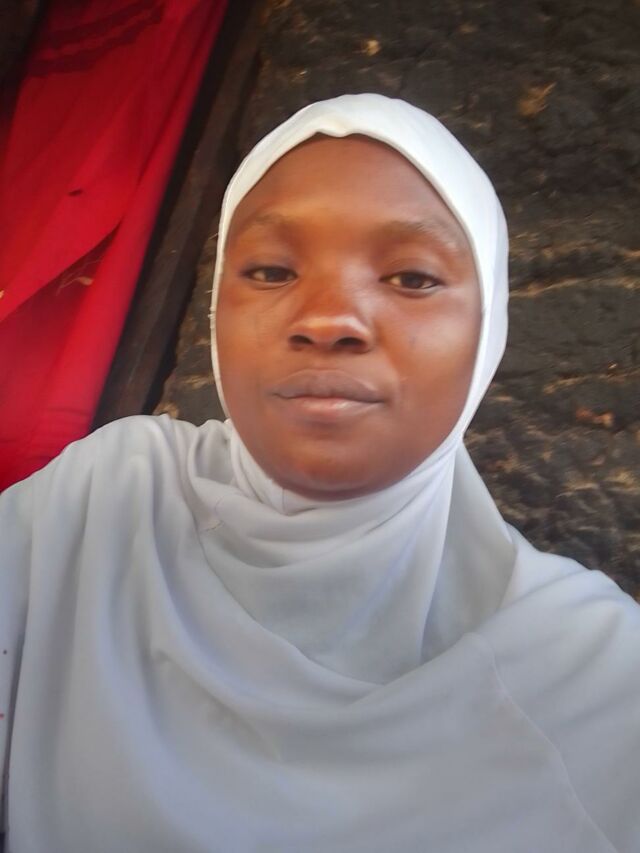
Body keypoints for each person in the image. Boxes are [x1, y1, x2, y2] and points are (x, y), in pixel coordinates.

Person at [0, 94, 638, 853]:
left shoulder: (595, 678)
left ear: (488, 327)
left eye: (411, 278)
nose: (328, 319)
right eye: (271, 270)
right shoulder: (100, 510)